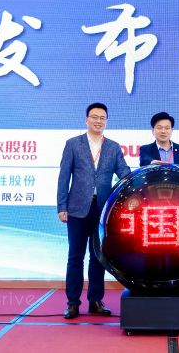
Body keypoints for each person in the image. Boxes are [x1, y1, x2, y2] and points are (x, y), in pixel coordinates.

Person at [57, 102, 131, 319]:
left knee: (98, 257)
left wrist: (144, 173)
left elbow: (124, 173)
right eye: (94, 117)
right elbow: (64, 177)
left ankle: (95, 301)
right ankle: (72, 303)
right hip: (77, 209)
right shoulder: (73, 144)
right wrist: (62, 206)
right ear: (86, 120)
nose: (98, 121)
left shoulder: (113, 147)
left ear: (106, 121)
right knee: (75, 257)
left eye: (102, 118)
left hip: (102, 210)